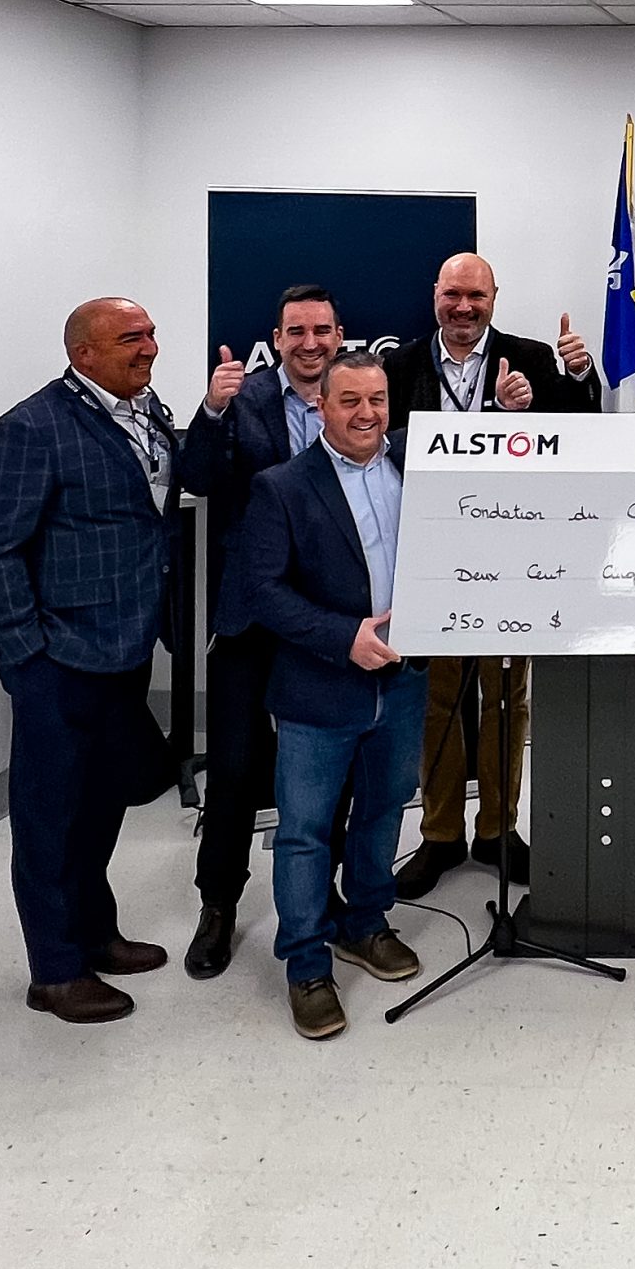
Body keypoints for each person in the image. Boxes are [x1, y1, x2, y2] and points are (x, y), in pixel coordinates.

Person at [0, 298, 179, 1024]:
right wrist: (25, 654)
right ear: (83, 354)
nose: (149, 347)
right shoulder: (30, 429)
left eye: (150, 333)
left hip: (124, 651)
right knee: (49, 819)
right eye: (131, 338)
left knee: (101, 805)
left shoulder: (145, 411)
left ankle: (93, 932)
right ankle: (54, 972)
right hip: (58, 659)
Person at [386, 251, 600, 899]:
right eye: (453, 294)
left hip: (513, 558)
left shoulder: (529, 358)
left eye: (475, 296)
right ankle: (440, 833)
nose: (463, 307)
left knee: (507, 695)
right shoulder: (399, 365)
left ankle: (498, 829)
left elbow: (580, 433)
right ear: (435, 295)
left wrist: (572, 379)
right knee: (440, 699)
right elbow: (380, 443)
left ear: (494, 298)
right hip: (431, 555)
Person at [227, 351, 425, 1040]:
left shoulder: (414, 468)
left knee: (384, 810)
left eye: (378, 400)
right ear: (321, 407)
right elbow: (262, 591)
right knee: (305, 835)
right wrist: (344, 637)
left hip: (403, 679)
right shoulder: (281, 486)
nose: (367, 414)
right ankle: (307, 966)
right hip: (319, 686)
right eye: (350, 401)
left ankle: (365, 923)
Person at [177, 284, 344, 979]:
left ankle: (324, 892)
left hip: (329, 617)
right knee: (237, 769)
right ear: (276, 340)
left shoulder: (356, 399)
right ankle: (218, 904)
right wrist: (212, 410)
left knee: (330, 768)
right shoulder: (239, 400)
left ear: (339, 336)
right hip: (250, 615)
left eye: (322, 331)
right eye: (296, 331)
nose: (310, 343)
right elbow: (196, 477)